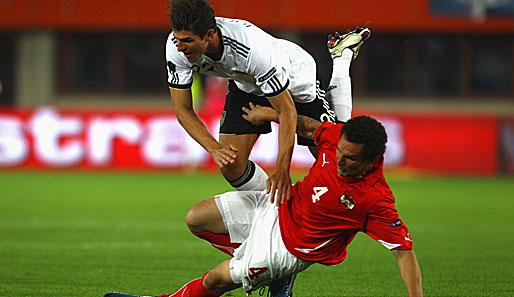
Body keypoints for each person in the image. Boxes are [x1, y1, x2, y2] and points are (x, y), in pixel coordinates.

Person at [104, 114, 423, 297]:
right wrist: (268, 115)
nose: (339, 159)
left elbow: (403, 253)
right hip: (279, 203)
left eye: (350, 158)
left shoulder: (375, 199)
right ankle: (274, 281)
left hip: (286, 249)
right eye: (339, 151)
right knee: (195, 218)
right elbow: (312, 128)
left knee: (215, 281)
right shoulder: (341, 138)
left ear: (370, 160)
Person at [164, 0, 369, 205]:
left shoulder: (251, 50)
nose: (180, 47)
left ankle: (342, 58)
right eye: (177, 38)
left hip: (294, 80)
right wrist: (214, 149)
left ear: (209, 35)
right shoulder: (176, 47)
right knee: (231, 165)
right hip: (247, 84)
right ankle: (281, 208)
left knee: (339, 164)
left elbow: (287, 110)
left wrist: (282, 171)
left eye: (187, 41)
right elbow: (182, 109)